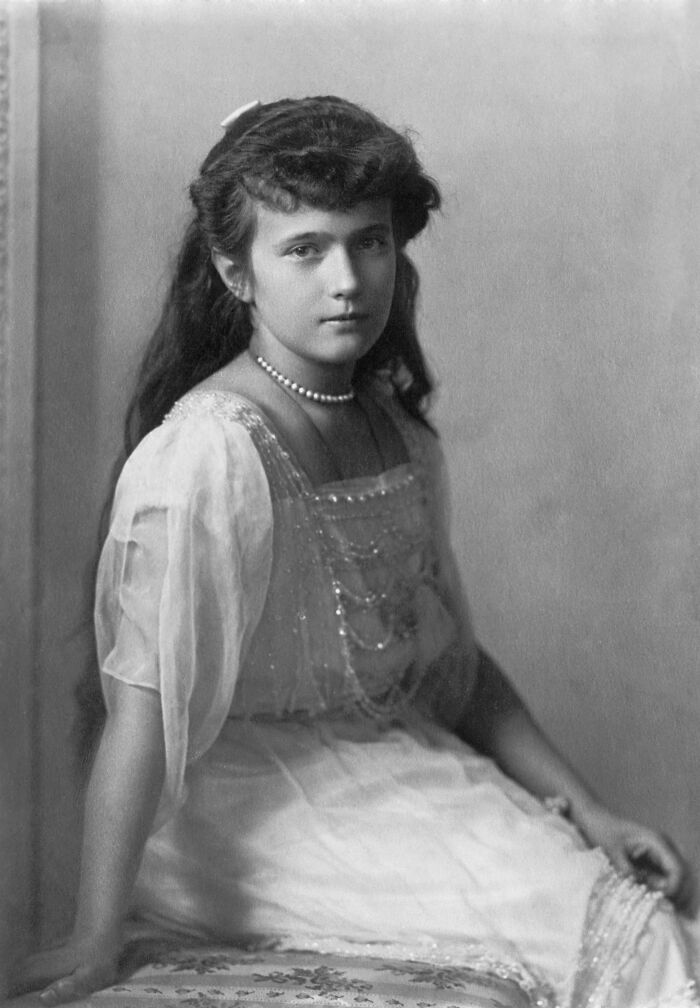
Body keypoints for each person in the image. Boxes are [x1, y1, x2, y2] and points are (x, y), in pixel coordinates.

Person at [11, 96, 698, 1008]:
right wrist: (97, 933)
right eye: (305, 248)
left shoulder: (393, 430)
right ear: (235, 271)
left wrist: (592, 809)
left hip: (383, 767)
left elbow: (454, 667)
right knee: (613, 932)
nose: (347, 280)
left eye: (369, 242)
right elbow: (140, 711)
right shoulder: (209, 454)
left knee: (633, 915)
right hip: (242, 817)